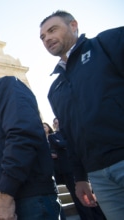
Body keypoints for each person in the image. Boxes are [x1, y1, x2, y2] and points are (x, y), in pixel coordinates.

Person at [40, 10, 124, 219]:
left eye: (52, 30)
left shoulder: (106, 44)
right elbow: (69, 134)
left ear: (73, 25)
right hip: (98, 175)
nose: (47, 38)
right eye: (43, 37)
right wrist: (80, 178)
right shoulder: (55, 88)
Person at [0, 58, 60, 219]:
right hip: (0, 202)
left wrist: (5, 195)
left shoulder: (4, 86)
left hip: (26, 197)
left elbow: (22, 136)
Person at [49, 118, 106, 220]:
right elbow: (60, 144)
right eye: (55, 122)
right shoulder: (52, 136)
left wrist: (64, 144)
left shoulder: (71, 132)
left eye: (58, 121)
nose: (56, 123)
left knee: (91, 195)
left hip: (81, 168)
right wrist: (65, 143)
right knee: (78, 197)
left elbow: (70, 144)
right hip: (67, 170)